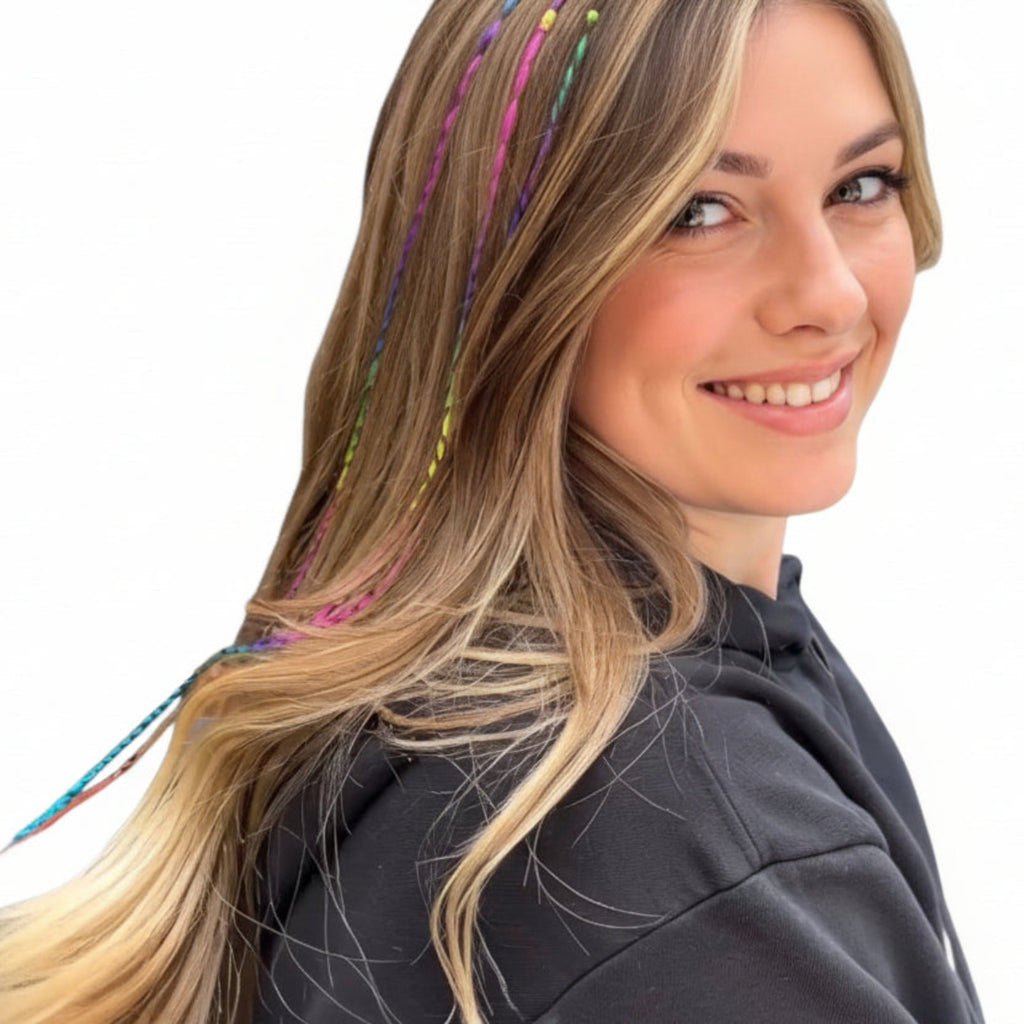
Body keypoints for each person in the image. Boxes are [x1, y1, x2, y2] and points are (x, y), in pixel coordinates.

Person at [0, 0, 987, 1021]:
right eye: (698, 211)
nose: (829, 295)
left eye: (861, 186)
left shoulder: (452, 706)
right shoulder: (685, 852)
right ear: (523, 277)